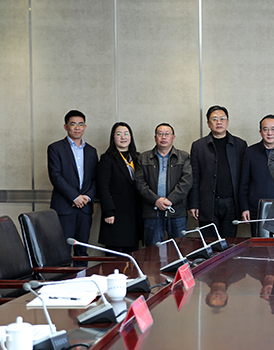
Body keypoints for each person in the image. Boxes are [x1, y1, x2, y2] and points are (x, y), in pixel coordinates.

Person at [47, 110, 99, 265]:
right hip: (64, 207)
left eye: (81, 124)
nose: (77, 127)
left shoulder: (91, 151)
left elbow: (96, 179)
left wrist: (87, 197)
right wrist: (75, 197)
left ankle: (82, 279)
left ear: (85, 127)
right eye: (73, 124)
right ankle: (63, 280)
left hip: (85, 209)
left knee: (82, 252)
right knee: (62, 251)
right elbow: (55, 176)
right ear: (66, 126)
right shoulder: (55, 148)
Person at [188, 105, 247, 238]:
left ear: (228, 121)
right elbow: (194, 177)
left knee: (229, 242)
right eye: (214, 119)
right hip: (207, 202)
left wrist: (244, 206)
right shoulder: (199, 146)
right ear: (208, 123)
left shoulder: (240, 145)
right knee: (209, 242)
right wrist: (193, 204)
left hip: (231, 203)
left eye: (222, 119)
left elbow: (244, 178)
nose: (218, 122)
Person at [135, 123, 193, 246]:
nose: (163, 137)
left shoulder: (183, 157)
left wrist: (170, 200)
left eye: (167, 134)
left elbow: (186, 181)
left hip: (176, 211)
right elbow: (140, 183)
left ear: (173, 137)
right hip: (152, 212)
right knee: (153, 250)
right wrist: (156, 200)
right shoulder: (143, 158)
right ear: (155, 137)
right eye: (160, 134)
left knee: (178, 249)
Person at [96, 122, 141, 254]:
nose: (123, 137)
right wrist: (108, 211)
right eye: (119, 134)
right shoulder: (107, 158)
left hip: (134, 214)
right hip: (116, 214)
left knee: (132, 254)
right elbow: (103, 187)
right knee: (114, 255)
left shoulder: (137, 158)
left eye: (126, 134)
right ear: (113, 137)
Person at [241, 114, 274, 236]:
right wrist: (244, 207)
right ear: (260, 132)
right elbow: (244, 182)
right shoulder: (250, 152)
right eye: (266, 129)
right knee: (259, 244)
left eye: (273, 129)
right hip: (257, 208)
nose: (269, 133)